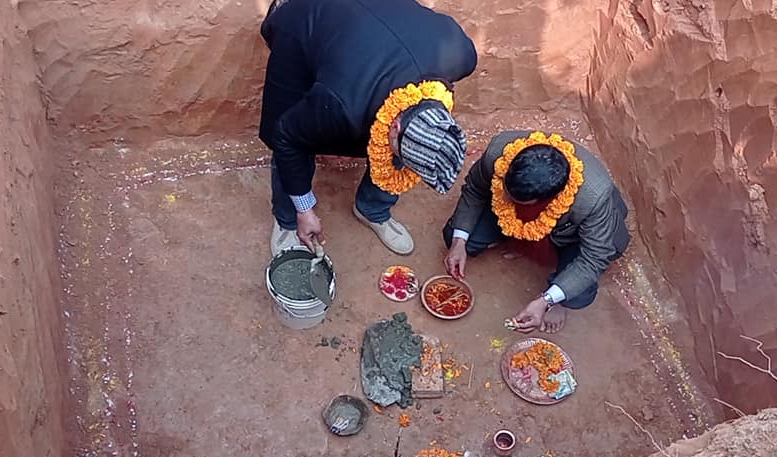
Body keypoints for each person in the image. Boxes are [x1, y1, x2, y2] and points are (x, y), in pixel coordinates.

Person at [259, 0, 477, 256]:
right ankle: (287, 218)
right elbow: (287, 136)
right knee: (290, 130)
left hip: (371, 34)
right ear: (395, 125)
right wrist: (304, 210)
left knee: (408, 145)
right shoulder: (340, 103)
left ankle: (372, 209)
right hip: (306, 18)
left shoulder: (463, 55)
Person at [443, 131, 630, 333]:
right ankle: (512, 236)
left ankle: (558, 302)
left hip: (568, 234)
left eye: (515, 200)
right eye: (505, 191)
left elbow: (593, 259)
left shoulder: (594, 199)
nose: (504, 198)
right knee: (454, 236)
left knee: (578, 294)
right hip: (514, 213)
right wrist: (459, 242)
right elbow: (475, 189)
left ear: (546, 200)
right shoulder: (499, 153)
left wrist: (546, 301)